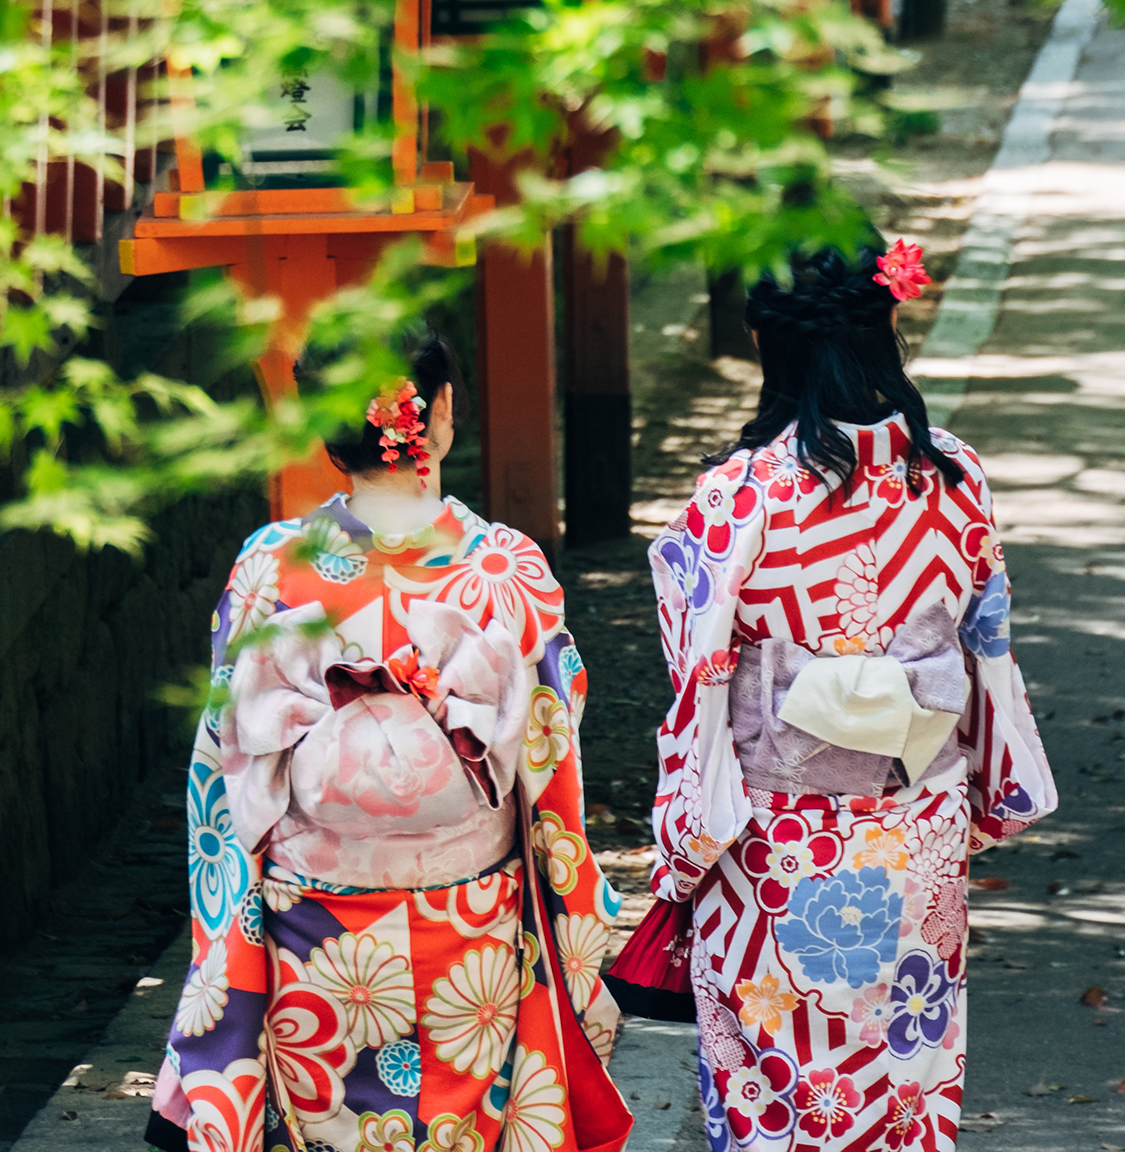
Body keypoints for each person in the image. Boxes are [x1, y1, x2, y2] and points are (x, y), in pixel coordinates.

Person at [145, 334, 631, 1152]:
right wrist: (572, 913)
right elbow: (549, 756)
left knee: (323, 1121)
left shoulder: (268, 567)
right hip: (471, 924)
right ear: (439, 413)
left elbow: (228, 763)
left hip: (313, 928)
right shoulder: (506, 569)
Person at [646, 241, 1056, 1152]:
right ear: (889, 325)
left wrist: (682, 846)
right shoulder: (953, 478)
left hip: (773, 845)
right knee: (904, 1083)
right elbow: (986, 652)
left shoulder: (735, 497)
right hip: (916, 833)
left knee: (775, 1099)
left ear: (765, 343)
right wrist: (992, 798)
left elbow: (698, 685)